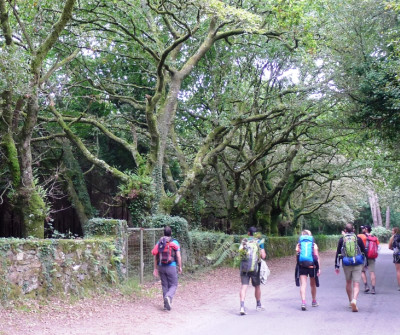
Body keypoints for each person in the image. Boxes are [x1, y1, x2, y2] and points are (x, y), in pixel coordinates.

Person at [334, 223, 366, 312]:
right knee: (356, 284)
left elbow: (338, 253)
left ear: (345, 231)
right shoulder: (358, 239)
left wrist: (336, 265)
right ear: (354, 230)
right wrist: (365, 264)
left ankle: (350, 301)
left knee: (348, 282)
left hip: (346, 263)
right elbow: (363, 252)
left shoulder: (342, 240)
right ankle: (354, 300)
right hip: (358, 263)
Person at [152, 226, 183, 311]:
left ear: (164, 233)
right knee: (174, 284)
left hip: (161, 266)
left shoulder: (160, 242)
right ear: (171, 233)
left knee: (164, 285)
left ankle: (166, 305)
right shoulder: (175, 242)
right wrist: (180, 266)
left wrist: (155, 268)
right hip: (171, 266)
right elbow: (178, 256)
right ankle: (168, 297)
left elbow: (156, 256)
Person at [239, 226, 266, 315]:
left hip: (244, 268)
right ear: (256, 234)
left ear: (248, 233)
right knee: (257, 286)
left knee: (244, 286)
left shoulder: (244, 241)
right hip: (255, 268)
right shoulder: (259, 242)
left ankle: (242, 307)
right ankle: (258, 305)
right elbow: (263, 256)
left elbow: (240, 254)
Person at [295, 230, 320, 311]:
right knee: (312, 285)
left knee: (303, 284)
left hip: (302, 266)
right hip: (312, 266)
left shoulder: (299, 245)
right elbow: (316, 257)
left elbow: (297, 257)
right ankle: (314, 301)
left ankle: (303, 302)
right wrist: (318, 268)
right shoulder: (313, 245)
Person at [358, 225, 380, 294]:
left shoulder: (360, 236)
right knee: (372, 272)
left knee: (362, 271)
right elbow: (378, 248)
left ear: (366, 229)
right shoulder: (374, 237)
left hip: (363, 256)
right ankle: (373, 289)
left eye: (363, 228)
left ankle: (366, 286)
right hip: (371, 256)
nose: (362, 229)